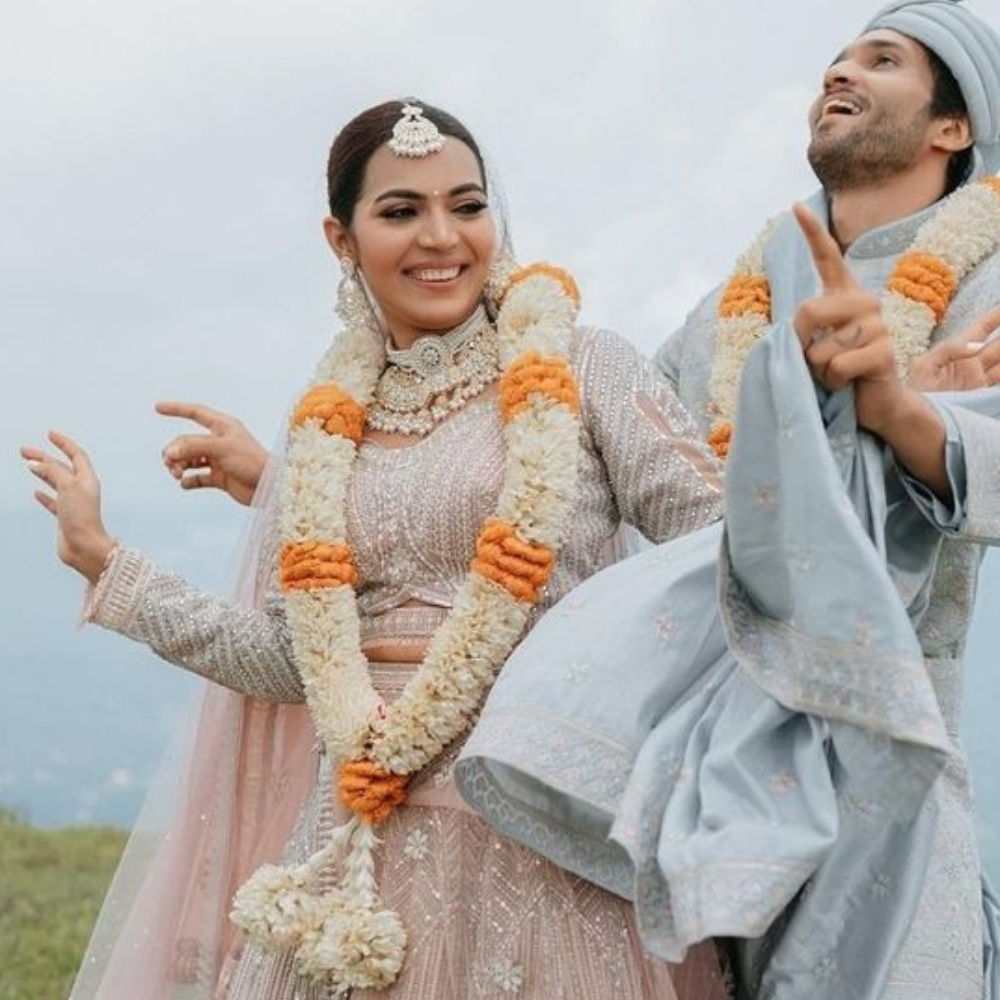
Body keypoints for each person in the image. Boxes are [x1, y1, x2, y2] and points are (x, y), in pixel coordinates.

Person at [21, 100, 731, 1000]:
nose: (443, 237)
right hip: (355, 847)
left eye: (466, 205)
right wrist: (109, 566)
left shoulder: (584, 368)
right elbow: (293, 658)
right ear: (342, 239)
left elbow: (724, 555)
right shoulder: (330, 426)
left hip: (541, 828)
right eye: (401, 211)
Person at [452, 2, 1000, 999]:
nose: (840, 71)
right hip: (705, 730)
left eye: (880, 59)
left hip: (887, 724)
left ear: (951, 128)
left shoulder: (986, 273)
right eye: (835, 56)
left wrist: (900, 410)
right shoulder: (747, 289)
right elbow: (613, 462)